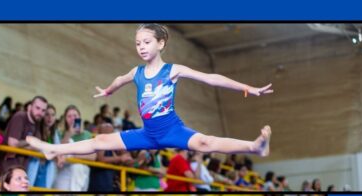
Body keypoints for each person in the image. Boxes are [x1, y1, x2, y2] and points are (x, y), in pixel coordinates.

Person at [25, 24, 273, 160]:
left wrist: (247, 88)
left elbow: (210, 78)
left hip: (171, 129)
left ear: (161, 43)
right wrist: (108, 91)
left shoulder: (172, 70)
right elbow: (120, 79)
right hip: (148, 134)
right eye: (138, 43)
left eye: (146, 42)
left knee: (206, 143)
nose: (141, 47)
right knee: (100, 141)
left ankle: (254, 147)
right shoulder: (137, 73)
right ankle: (53, 149)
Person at [0, 96, 48, 182]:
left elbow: (37, 147)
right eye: (37, 108)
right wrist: (30, 141)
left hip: (18, 172)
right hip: (3, 170)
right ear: (30, 107)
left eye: (43, 110)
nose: (40, 112)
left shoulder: (37, 123)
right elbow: (12, 143)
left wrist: (23, 144)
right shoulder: (20, 117)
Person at [52, 105, 96, 191]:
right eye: (69, 116)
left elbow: (93, 156)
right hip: (63, 172)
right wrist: (69, 134)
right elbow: (59, 152)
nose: (72, 118)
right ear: (65, 119)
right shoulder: (59, 132)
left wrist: (72, 156)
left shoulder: (87, 134)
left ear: (79, 118)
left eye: (75, 116)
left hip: (82, 173)